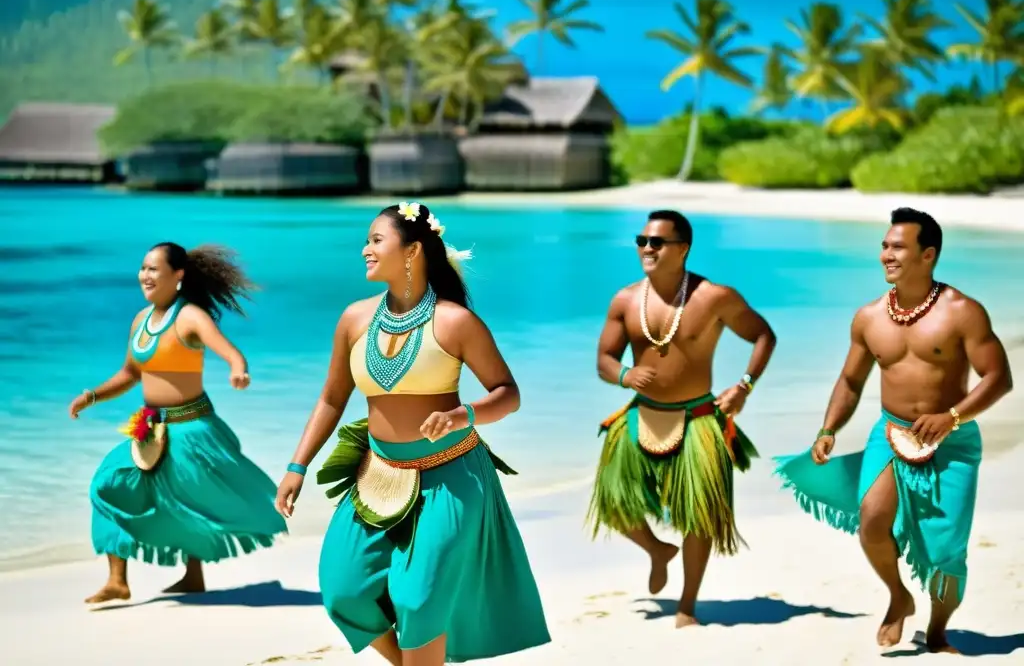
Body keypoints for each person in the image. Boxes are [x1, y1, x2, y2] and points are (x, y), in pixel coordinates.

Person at [275, 202, 550, 666]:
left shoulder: (455, 322)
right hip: (376, 474)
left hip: (452, 478)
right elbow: (331, 400)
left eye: (376, 241)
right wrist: (296, 466)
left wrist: (467, 414)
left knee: (419, 599)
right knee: (345, 591)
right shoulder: (354, 320)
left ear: (412, 251)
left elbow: (508, 393)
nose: (365, 250)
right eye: (367, 241)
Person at [774, 207, 1013, 653]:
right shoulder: (868, 318)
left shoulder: (962, 312)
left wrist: (952, 417)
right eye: (884, 245)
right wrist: (829, 428)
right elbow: (850, 381)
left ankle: (938, 630)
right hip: (889, 433)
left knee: (945, 555)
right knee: (872, 522)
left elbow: (999, 378)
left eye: (897, 247)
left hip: (952, 442)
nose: (886, 254)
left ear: (928, 255)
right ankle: (899, 595)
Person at [68, 242, 287, 604]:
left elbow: (228, 350)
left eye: (154, 269)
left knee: (188, 500)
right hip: (149, 427)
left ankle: (193, 575)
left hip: (192, 428)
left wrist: (238, 369)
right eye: (143, 268)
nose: (145, 275)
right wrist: (92, 396)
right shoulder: (140, 320)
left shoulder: (190, 317)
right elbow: (129, 373)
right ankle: (118, 581)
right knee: (105, 485)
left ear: (178, 275)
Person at [587, 209, 777, 627]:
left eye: (657, 242)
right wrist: (624, 375)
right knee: (614, 504)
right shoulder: (625, 299)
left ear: (683, 248)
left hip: (698, 419)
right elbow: (603, 359)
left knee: (701, 515)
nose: (647, 249)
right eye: (642, 241)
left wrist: (744, 386)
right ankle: (657, 550)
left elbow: (764, 335)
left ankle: (687, 605)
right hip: (641, 416)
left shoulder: (714, 297)